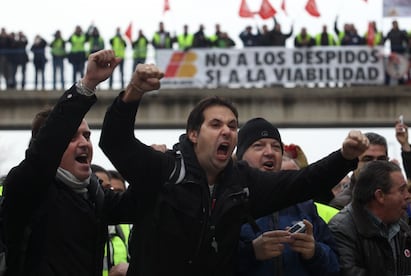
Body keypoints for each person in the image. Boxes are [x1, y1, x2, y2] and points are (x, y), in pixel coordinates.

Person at [99, 63, 369, 275]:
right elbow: (115, 142)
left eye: (232, 125)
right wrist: (134, 91)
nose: (226, 131)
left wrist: (344, 157)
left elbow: (301, 182)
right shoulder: (166, 170)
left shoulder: (242, 183)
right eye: (216, 125)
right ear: (193, 134)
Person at [1, 49, 138, 275]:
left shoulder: (97, 196)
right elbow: (45, 149)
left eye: (86, 136)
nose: (84, 143)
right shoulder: (27, 187)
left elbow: (139, 203)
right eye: (71, 137)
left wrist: (133, 95)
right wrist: (88, 83)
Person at [236, 118, 340, 276]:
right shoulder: (226, 201)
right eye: (258, 146)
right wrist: (251, 253)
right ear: (241, 157)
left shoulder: (304, 205)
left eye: (276, 147)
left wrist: (314, 252)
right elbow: (207, 264)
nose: (270, 152)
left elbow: (335, 268)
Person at [328, 161, 411, 275]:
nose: (408, 196)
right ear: (380, 196)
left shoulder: (402, 227)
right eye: (401, 190)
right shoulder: (342, 230)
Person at [329, 132, 389, 210]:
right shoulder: (341, 205)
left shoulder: (398, 199)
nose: (375, 164)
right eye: (368, 159)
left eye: (381, 159)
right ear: (354, 162)